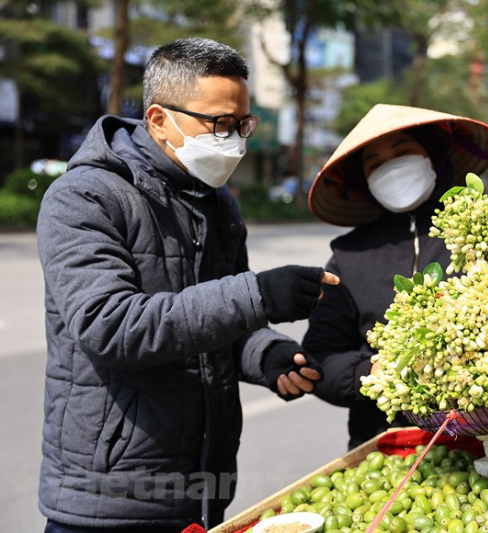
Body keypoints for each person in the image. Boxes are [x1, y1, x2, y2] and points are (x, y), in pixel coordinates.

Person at [36, 37, 338, 532]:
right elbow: (111, 327)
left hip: (202, 486)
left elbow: (217, 324)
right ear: (158, 120)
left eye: (243, 124)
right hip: (110, 501)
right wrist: (259, 295)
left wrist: (264, 354)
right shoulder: (84, 197)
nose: (235, 140)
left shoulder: (216, 202)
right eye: (220, 124)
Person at [302, 104, 488, 449]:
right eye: (375, 163)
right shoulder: (348, 256)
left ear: (434, 157)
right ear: (364, 179)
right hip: (392, 444)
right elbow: (321, 357)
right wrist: (374, 372)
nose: (392, 167)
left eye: (404, 152)